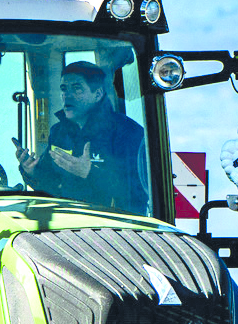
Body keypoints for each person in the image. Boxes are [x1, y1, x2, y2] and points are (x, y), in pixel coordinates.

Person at [18, 60, 149, 213]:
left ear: (98, 94)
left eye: (77, 89)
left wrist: (89, 172)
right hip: (65, 224)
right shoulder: (59, 132)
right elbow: (50, 186)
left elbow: (140, 191)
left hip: (115, 227)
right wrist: (31, 171)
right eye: (64, 89)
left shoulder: (128, 132)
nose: (67, 95)